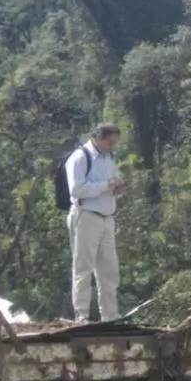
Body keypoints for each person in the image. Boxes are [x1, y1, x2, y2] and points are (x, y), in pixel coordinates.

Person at [64, 123, 127, 323]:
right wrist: (106, 185)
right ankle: (81, 314)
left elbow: (110, 183)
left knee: (109, 268)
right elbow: (76, 189)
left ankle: (110, 315)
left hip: (107, 217)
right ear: (98, 138)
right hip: (86, 215)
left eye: (115, 143)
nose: (112, 146)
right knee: (83, 267)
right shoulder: (80, 157)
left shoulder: (110, 157)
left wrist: (117, 189)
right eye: (109, 142)